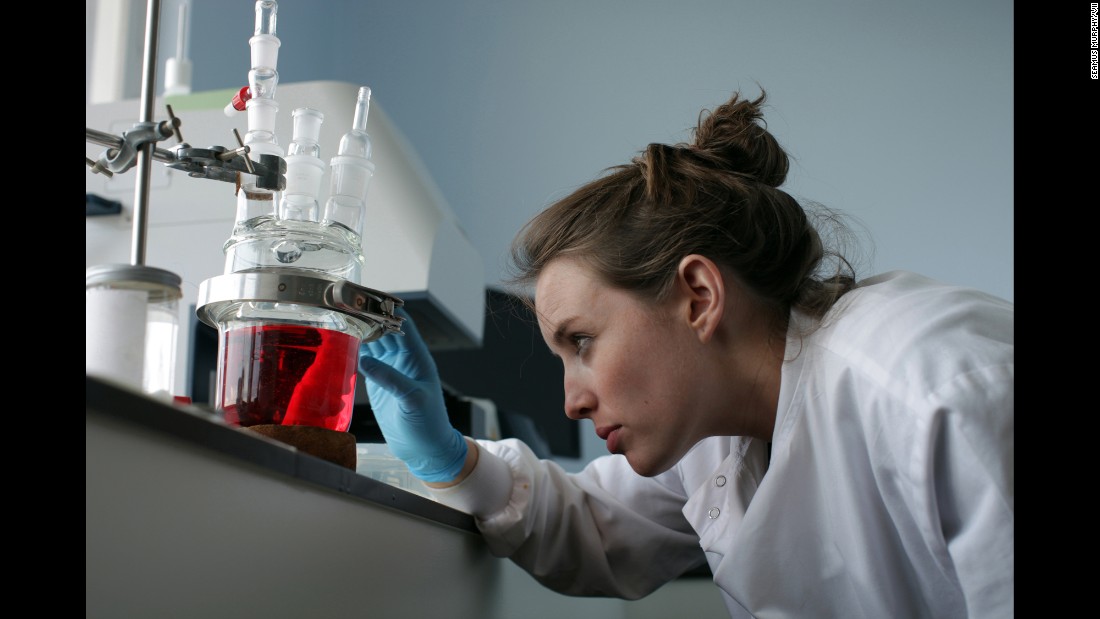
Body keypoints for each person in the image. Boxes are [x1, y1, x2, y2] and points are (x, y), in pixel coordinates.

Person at [357, 89, 1014, 618]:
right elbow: (593, 524)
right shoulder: (713, 435)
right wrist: (449, 458)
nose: (572, 399)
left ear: (698, 296)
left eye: (581, 342)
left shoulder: (936, 386)